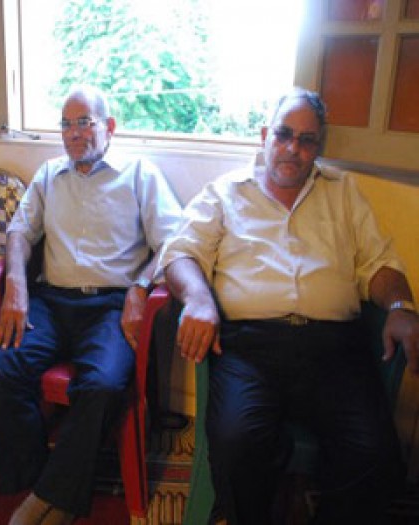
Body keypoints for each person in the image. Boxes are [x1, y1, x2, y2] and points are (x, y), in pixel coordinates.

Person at [159, 88, 419, 524]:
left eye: (306, 139)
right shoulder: (225, 192)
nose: (293, 148)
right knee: (236, 443)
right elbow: (180, 252)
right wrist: (199, 298)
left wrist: (400, 304)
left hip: (334, 350)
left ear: (319, 146)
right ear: (265, 136)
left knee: (376, 454)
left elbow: (379, 264)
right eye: (283, 134)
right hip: (250, 350)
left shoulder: (343, 193)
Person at [0, 86, 182, 524]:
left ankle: (50, 499)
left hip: (111, 306)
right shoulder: (49, 174)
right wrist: (15, 282)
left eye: (84, 122)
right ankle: (38, 483)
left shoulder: (139, 174)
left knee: (102, 385)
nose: (73, 133)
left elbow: (173, 242)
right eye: (66, 124)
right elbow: (19, 232)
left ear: (109, 126)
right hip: (52, 302)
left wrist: (140, 287)